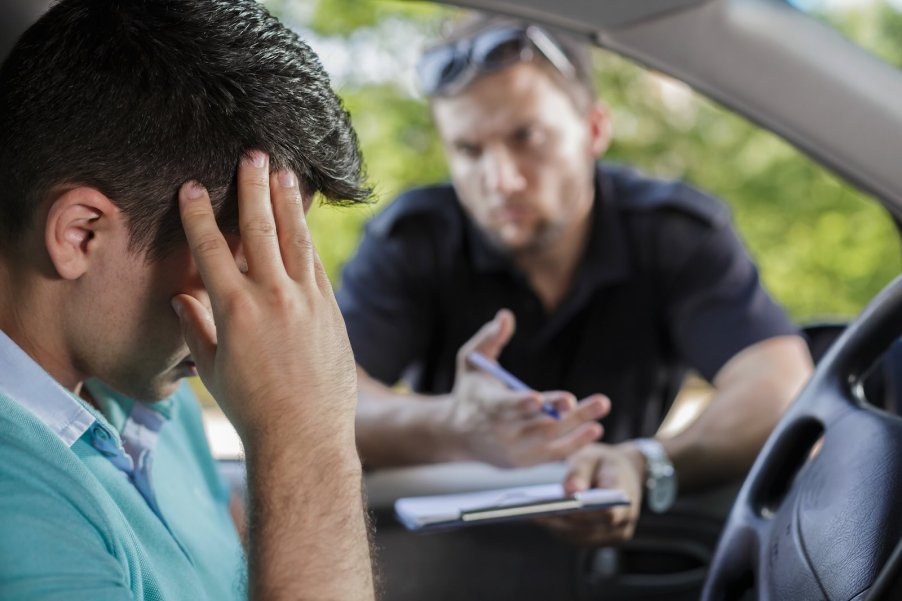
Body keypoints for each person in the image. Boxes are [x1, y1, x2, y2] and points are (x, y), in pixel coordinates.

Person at [337, 14, 814, 545]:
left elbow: (777, 385)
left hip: (626, 552)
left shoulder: (673, 234)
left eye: (528, 137)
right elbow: (327, 395)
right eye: (469, 151)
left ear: (593, 129)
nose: (502, 180)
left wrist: (648, 462)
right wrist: (453, 426)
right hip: (454, 553)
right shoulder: (413, 239)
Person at [0, 1, 374, 599]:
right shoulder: (15, 505)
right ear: (81, 235)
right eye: (227, 268)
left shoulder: (150, 399)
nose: (240, 316)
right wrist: (305, 435)